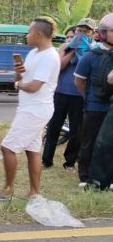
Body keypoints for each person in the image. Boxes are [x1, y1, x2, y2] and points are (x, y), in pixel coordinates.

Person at [0, 17, 60, 200]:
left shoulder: (50, 56)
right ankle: (34, 192)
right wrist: (18, 73)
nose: (26, 35)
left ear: (38, 34)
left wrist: (19, 83)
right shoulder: (34, 53)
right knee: (32, 149)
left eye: (29, 32)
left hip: (36, 109)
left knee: (8, 147)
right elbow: (20, 79)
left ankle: (7, 189)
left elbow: (34, 86)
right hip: (30, 107)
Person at [42, 18, 95, 171]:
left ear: (92, 33)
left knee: (76, 131)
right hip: (61, 92)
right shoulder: (66, 46)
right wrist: (72, 49)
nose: (82, 33)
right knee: (53, 127)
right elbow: (58, 66)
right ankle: (47, 160)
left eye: (86, 31)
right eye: (79, 30)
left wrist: (83, 50)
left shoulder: (93, 49)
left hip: (80, 95)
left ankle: (70, 162)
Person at [75, 13, 113, 187]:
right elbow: (79, 81)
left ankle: (107, 176)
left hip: (110, 107)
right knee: (89, 141)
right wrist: (89, 97)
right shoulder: (90, 56)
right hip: (95, 106)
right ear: (103, 33)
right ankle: (85, 175)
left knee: (108, 144)